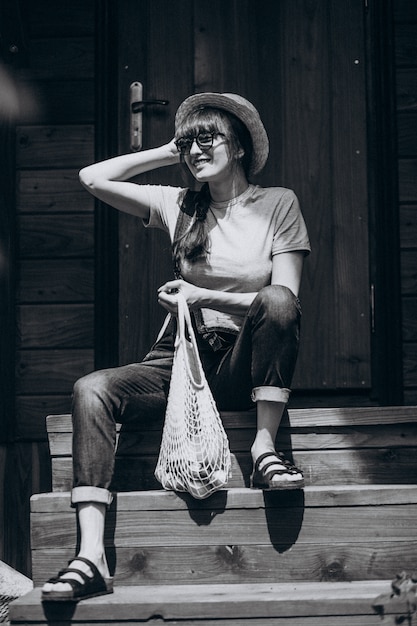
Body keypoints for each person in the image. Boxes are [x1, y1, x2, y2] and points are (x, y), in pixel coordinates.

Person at [41, 92, 311, 602]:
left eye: (207, 138)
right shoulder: (178, 204)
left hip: (239, 363)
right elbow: (93, 178)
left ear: (239, 146)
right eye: (190, 142)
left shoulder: (279, 203)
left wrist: (200, 294)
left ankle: (265, 450)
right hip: (179, 362)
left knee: (275, 301)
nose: (195, 150)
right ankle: (90, 557)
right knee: (91, 389)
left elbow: (285, 300)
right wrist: (168, 149)